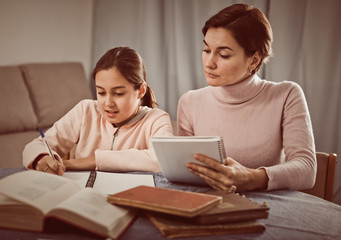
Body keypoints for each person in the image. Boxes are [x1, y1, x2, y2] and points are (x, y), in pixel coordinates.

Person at [177, 4, 316, 192]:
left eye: (224, 55)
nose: (209, 63)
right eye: (206, 50)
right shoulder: (189, 101)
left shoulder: (286, 95)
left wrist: (252, 178)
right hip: (207, 201)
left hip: (269, 205)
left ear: (254, 60)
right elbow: (187, 172)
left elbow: (307, 169)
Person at [23, 46, 174, 175]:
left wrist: (95, 160)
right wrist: (41, 158)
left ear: (141, 90)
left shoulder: (156, 119)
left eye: (119, 93)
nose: (108, 103)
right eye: (101, 92)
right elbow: (33, 147)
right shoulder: (85, 111)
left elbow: (165, 160)